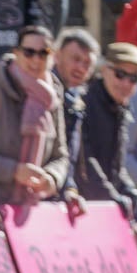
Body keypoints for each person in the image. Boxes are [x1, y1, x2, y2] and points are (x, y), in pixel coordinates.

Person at [0, 25, 70, 208]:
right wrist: (14, 171)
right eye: (29, 52)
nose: (36, 59)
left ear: (52, 56)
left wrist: (51, 177)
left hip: (29, 208)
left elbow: (61, 156)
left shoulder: (51, 99)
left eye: (43, 53)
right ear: (16, 53)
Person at [70, 43, 137, 212]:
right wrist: (111, 197)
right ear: (104, 69)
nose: (126, 83)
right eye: (120, 74)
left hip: (102, 205)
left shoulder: (121, 108)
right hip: (81, 206)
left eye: (133, 78)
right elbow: (85, 163)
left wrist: (128, 189)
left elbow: (117, 166)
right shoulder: (84, 103)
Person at [52, 28, 101, 215]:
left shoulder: (76, 99)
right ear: (57, 56)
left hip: (58, 197)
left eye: (87, 63)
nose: (81, 68)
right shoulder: (42, 93)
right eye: (75, 59)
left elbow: (71, 158)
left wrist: (70, 188)